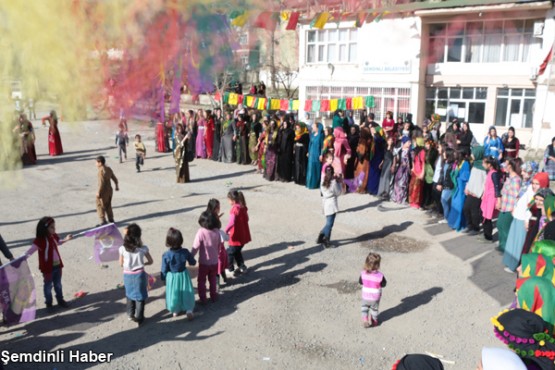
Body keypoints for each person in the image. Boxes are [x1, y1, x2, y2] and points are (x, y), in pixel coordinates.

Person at [503, 170, 545, 273]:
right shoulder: (530, 189)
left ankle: (514, 265)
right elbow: (523, 201)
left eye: (537, 183)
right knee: (513, 241)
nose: (534, 186)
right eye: (533, 183)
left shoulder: (542, 194)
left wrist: (527, 219)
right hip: (519, 216)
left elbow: (530, 208)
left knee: (520, 244)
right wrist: (516, 208)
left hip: (527, 221)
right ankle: (509, 261)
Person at [30, 217, 72, 308]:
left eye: (54, 227)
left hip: (57, 266)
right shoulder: (39, 241)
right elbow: (30, 251)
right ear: (45, 229)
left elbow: (58, 242)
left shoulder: (53, 236)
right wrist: (21, 259)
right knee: (48, 286)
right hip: (48, 268)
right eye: (52, 227)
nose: (54, 229)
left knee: (58, 284)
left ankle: (60, 299)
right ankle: (48, 302)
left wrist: (66, 239)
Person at [119, 223, 153, 325]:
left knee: (129, 294)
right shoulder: (143, 248)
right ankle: (140, 317)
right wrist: (144, 263)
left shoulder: (122, 249)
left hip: (127, 275)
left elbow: (121, 264)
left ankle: (130, 314)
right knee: (140, 296)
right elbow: (151, 261)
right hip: (140, 274)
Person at [161, 228, 196, 320]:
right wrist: (192, 259)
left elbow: (164, 269)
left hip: (172, 277)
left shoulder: (166, 255)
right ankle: (188, 309)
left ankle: (175, 310)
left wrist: (163, 278)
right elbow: (192, 262)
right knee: (186, 292)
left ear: (168, 241)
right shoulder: (185, 251)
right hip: (183, 275)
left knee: (174, 293)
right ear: (181, 240)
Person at [192, 211, 222, 304]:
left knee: (201, 280)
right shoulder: (217, 231)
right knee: (212, 279)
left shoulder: (201, 232)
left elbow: (195, 246)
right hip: (214, 261)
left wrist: (191, 257)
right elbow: (219, 245)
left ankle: (203, 298)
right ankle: (213, 295)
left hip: (204, 262)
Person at [496, 158, 522, 252]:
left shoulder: (516, 179)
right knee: (499, 225)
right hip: (504, 206)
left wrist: (514, 208)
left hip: (510, 208)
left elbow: (517, 195)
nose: (503, 166)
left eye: (505, 164)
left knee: (505, 227)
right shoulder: (509, 177)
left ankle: (507, 248)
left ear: (510, 166)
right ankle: (502, 244)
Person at [225, 190, 251, 275]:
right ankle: (242, 266)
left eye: (228, 199)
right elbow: (247, 219)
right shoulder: (242, 207)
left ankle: (230, 269)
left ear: (232, 200)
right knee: (237, 251)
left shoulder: (234, 209)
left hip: (235, 236)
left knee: (230, 253)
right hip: (242, 235)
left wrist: (226, 230)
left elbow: (231, 222)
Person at [462, 146, 487, 234]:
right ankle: (469, 225)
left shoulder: (484, 168)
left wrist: (482, 193)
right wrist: (467, 187)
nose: (472, 155)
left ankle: (476, 228)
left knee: (474, 211)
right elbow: (471, 178)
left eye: (474, 153)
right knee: (466, 208)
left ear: (478, 154)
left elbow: (485, 182)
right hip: (470, 191)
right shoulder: (474, 164)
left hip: (477, 192)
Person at [317, 165, 343, 248]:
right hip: (331, 204)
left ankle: (321, 235)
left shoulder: (322, 181)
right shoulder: (334, 182)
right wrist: (339, 182)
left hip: (325, 202)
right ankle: (326, 240)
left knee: (328, 222)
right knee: (330, 224)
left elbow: (321, 192)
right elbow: (338, 192)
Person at [359, 252, 386, 328]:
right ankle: (374, 321)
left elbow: (360, 282)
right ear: (378, 265)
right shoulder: (380, 275)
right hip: (375, 297)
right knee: (374, 310)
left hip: (365, 296)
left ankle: (365, 320)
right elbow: (384, 284)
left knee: (364, 308)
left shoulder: (363, 273)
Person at [206, 199, 228, 284]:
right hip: (217, 250)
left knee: (219, 266)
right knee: (219, 266)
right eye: (218, 207)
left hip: (217, 251)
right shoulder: (218, 232)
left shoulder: (210, 216)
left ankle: (220, 280)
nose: (219, 208)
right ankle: (219, 281)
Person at [447, 150, 471, 230]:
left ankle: (460, 224)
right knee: (454, 204)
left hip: (461, 186)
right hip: (456, 186)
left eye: (456, 154)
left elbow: (466, 176)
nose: (454, 155)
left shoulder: (465, 163)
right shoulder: (456, 163)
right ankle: (453, 223)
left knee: (460, 205)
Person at [480, 156, 502, 241]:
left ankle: (488, 237)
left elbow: (497, 187)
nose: (482, 164)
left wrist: (498, 200)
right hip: (487, 196)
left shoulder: (494, 174)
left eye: (484, 163)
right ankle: (486, 234)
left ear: (489, 164)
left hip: (491, 198)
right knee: (484, 215)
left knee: (488, 217)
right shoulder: (490, 172)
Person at [95, 156, 119, 226]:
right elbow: (115, 178)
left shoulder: (101, 171)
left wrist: (98, 192)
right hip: (109, 190)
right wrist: (116, 186)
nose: (95, 164)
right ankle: (111, 219)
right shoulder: (108, 169)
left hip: (103, 191)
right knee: (108, 205)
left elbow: (101, 183)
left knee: (100, 205)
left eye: (96, 162)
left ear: (100, 163)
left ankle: (103, 220)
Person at [391, 136, 412, 205]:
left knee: (403, 184)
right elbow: (395, 157)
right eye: (408, 142)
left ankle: (402, 198)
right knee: (397, 182)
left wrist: (409, 169)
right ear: (404, 142)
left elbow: (409, 162)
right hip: (400, 169)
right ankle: (396, 197)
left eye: (410, 142)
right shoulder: (400, 150)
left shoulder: (410, 151)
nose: (410, 143)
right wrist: (394, 164)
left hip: (406, 170)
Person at [437, 150, 456, 222]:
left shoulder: (452, 165)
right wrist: (440, 183)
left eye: (445, 152)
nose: (443, 154)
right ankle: (447, 217)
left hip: (449, 186)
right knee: (445, 201)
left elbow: (452, 176)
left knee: (444, 201)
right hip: (444, 185)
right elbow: (442, 174)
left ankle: (447, 217)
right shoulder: (445, 163)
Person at [408, 138, 426, 208]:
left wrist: (422, 173)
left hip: (419, 172)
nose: (414, 144)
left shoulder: (422, 152)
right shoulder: (416, 151)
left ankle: (417, 203)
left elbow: (423, 163)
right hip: (415, 172)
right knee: (412, 187)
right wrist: (413, 168)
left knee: (418, 189)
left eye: (415, 142)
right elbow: (413, 161)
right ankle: (412, 201)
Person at [367, 125, 384, 195]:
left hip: (377, 158)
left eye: (373, 130)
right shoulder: (376, 139)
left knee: (375, 174)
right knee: (373, 174)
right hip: (375, 158)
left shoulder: (378, 139)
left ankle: (373, 190)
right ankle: (371, 189)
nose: (372, 131)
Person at [306, 122, 324, 189]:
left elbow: (322, 146)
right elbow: (310, 143)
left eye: (313, 126)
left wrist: (321, 154)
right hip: (311, 153)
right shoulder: (312, 134)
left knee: (316, 168)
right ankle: (309, 183)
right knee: (310, 167)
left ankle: (315, 184)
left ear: (317, 128)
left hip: (317, 153)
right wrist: (308, 151)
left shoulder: (321, 135)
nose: (312, 128)